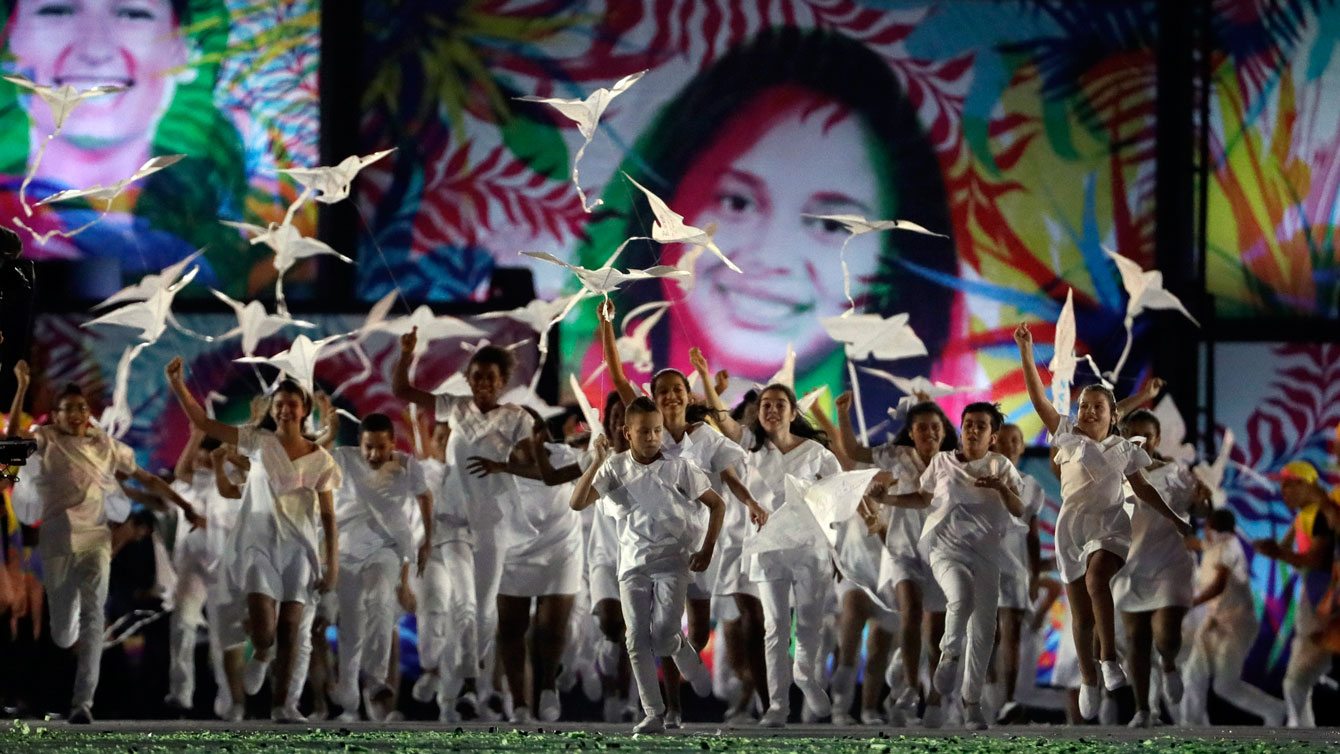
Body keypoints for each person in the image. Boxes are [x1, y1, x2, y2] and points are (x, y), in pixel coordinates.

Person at [566, 25, 958, 407]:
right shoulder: (589, 404)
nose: (771, 256)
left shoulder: (898, 434)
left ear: (892, 255)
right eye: (737, 203)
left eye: (830, 224)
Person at [597, 305, 767, 725]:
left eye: (678, 389)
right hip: (656, 544)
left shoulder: (705, 436)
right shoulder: (648, 433)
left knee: (697, 631)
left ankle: (684, 672)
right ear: (652, 400)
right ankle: (670, 708)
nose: (671, 395)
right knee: (656, 629)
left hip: (701, 546)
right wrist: (606, 323)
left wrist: (748, 502)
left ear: (687, 396)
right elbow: (619, 379)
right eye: (663, 390)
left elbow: (728, 475)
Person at [1013, 323, 1191, 722]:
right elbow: (1038, 396)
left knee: (1097, 579)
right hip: (1071, 529)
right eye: (1083, 406)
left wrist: (1176, 518)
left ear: (1113, 418)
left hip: (1110, 527)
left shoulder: (1123, 449)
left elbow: (1144, 490)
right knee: (1080, 615)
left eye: (1099, 407)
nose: (1089, 411)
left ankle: (1109, 657)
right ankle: (1090, 676)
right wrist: (1027, 351)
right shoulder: (1066, 437)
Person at [1, 0, 252, 282]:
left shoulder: (257, 225)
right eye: (57, 11)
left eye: (133, 14)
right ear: (10, 39)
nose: (94, 50)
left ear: (184, 49)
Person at [6, 362, 200, 724]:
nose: (77, 414)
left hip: (96, 540)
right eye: (69, 409)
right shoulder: (44, 440)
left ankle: (83, 703)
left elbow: (143, 477)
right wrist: (21, 387)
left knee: (96, 617)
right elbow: (10, 443)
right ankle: (67, 633)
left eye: (82, 408)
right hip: (58, 542)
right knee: (64, 633)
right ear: (58, 415)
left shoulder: (105, 445)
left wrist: (184, 505)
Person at [164, 357, 339, 723]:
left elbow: (327, 514)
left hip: (299, 550)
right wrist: (179, 385)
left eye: (293, 404)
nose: (285, 409)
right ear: (273, 412)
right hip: (259, 547)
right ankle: (261, 653)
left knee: (291, 627)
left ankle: (283, 705)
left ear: (304, 409)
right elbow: (204, 423)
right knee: (264, 631)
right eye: (280, 405)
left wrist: (331, 563)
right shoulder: (258, 442)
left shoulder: (320, 458)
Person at [390, 328, 532, 719]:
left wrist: (502, 464)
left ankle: (461, 693)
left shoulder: (518, 418)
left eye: (492, 377)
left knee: (485, 613)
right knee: (464, 607)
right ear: (469, 379)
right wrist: (406, 354)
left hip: (492, 526)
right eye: (478, 376)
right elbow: (403, 390)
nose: (484, 382)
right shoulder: (454, 407)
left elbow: (537, 467)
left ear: (503, 382)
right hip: (452, 522)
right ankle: (465, 686)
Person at [570, 397, 724, 734]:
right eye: (644, 431)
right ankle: (653, 712)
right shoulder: (615, 468)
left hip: (672, 562)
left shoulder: (680, 467)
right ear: (627, 433)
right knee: (636, 638)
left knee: (664, 634)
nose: (652, 437)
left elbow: (718, 505)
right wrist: (596, 462)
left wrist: (708, 548)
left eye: (656, 430)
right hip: (632, 567)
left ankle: (683, 652)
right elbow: (577, 502)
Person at [877, 402, 1024, 730]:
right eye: (968, 423)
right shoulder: (942, 462)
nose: (972, 430)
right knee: (961, 597)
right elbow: (922, 498)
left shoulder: (1000, 466)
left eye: (981, 426)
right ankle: (949, 653)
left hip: (986, 556)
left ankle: (971, 705)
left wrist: (1001, 487)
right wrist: (885, 500)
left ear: (993, 436)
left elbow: (1018, 508)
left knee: (984, 632)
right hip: (946, 552)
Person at [838, 392, 955, 726]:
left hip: (938, 554)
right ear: (911, 432)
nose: (929, 433)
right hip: (902, 552)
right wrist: (843, 414)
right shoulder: (895, 456)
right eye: (921, 428)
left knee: (935, 637)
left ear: (943, 431)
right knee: (911, 612)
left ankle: (935, 701)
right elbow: (854, 452)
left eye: (935, 427)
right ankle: (909, 688)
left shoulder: (953, 463)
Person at [731, 384, 842, 727]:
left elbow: (837, 497)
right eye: (766, 404)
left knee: (808, 623)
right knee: (775, 626)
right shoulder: (749, 450)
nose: (772, 410)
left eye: (780, 404)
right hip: (768, 548)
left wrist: (835, 546)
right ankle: (777, 706)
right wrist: (750, 503)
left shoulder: (815, 452)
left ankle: (806, 676)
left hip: (810, 548)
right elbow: (728, 474)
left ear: (794, 413)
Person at [467, 406, 585, 724]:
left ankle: (548, 686)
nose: (521, 439)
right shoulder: (490, 465)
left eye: (529, 431)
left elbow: (551, 478)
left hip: (561, 550)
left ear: (542, 432)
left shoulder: (562, 456)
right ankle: (520, 703)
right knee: (511, 629)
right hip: (515, 553)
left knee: (551, 629)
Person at [328, 413, 431, 722]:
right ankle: (349, 690)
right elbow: (308, 453)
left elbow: (425, 497)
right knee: (351, 623)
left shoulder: (407, 466)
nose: (373, 455)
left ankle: (376, 681)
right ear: (359, 443)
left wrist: (428, 540)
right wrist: (329, 431)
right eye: (367, 447)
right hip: (347, 551)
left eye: (379, 448)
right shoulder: (344, 458)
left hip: (385, 551)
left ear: (392, 444)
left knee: (380, 603)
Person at [1113, 408, 1211, 727]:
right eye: (1133, 435)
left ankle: (1168, 662)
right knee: (1135, 639)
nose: (1140, 442)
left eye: (1147, 436)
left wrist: (1202, 503)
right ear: (1125, 437)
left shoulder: (1176, 472)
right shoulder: (1113, 472)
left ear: (1157, 438)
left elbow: (1199, 511)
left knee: (1166, 636)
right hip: (1129, 565)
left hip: (1169, 563)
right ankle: (1143, 710)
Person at [1181, 509, 1285, 726]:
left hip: (1238, 624)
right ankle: (1191, 726)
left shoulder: (1229, 547)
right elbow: (1194, 543)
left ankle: (1275, 710)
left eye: (1206, 527)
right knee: (1193, 673)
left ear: (1210, 528)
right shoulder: (1214, 545)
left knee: (1225, 685)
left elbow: (1219, 585)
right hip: (1214, 622)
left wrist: (1190, 603)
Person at [1251, 460, 1335, 727]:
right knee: (1298, 681)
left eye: (1289, 485)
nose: (1283, 491)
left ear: (1305, 485)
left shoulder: (1321, 514)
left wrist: (1277, 552)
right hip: (1312, 594)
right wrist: (1272, 548)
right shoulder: (1303, 517)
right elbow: (1289, 551)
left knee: (1297, 680)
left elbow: (1316, 559)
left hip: (1322, 598)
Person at [164, 429, 237, 716]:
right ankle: (181, 693)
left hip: (222, 568)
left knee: (223, 635)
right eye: (201, 451)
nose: (204, 457)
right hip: (191, 567)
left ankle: (229, 700)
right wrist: (193, 436)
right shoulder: (188, 486)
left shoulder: (231, 486)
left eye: (210, 451)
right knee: (182, 624)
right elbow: (181, 472)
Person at [987, 422, 1044, 724]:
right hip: (984, 564)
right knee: (987, 635)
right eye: (1004, 440)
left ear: (1023, 446)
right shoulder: (980, 478)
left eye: (1016, 440)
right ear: (994, 444)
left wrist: (1034, 576)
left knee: (1011, 636)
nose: (1010, 445)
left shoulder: (1031, 485)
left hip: (1016, 568)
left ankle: (1008, 701)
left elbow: (1033, 536)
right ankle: (987, 699)